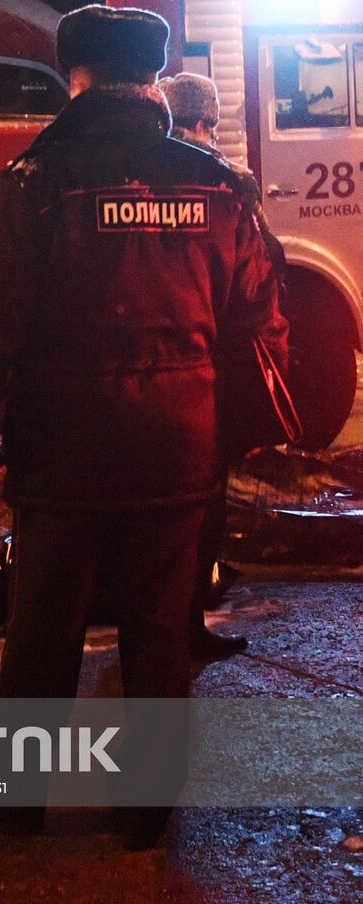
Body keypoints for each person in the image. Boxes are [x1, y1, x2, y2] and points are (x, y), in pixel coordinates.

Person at [0, 6, 288, 847]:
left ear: (75, 79)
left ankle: (17, 803)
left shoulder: (37, 180)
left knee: (44, 634)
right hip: (177, 455)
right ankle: (144, 815)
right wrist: (215, 429)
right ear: (155, 80)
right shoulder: (218, 185)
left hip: (65, 456)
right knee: (161, 632)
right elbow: (265, 325)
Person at [158, 72, 286, 661]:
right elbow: (261, 285)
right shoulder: (227, 185)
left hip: (134, 380)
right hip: (205, 382)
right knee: (199, 509)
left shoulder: (134, 174)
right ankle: (183, 630)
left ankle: (155, 632)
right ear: (208, 121)